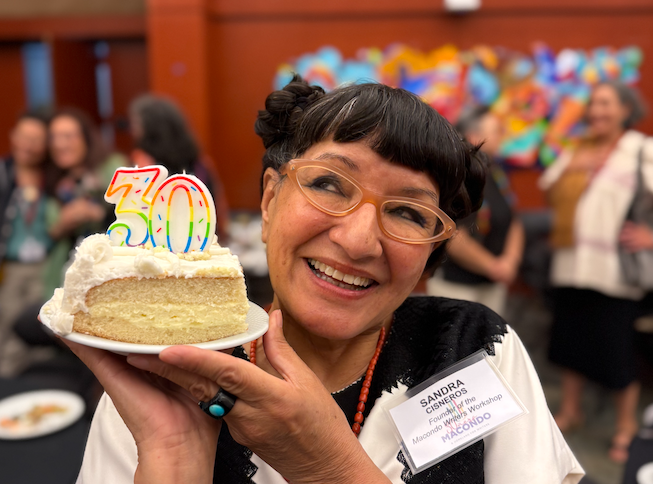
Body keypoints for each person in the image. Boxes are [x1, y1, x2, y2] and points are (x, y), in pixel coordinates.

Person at [67, 77, 583, 483]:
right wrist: (174, 455)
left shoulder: (474, 348)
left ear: (431, 252)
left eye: (408, 213)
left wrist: (331, 469)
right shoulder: (167, 374)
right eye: (330, 184)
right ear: (270, 200)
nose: (358, 242)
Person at [539, 81, 653, 463]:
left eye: (605, 103)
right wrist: (575, 166)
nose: (596, 111)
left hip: (615, 275)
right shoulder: (580, 147)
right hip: (571, 267)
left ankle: (625, 426)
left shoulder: (641, 149)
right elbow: (548, 185)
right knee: (570, 345)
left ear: (626, 109)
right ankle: (572, 411)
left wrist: (650, 237)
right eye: (593, 104)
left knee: (616, 353)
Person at [427, 107, 524, 317]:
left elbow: (514, 221)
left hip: (493, 284)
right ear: (474, 137)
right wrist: (493, 267)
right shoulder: (458, 176)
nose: (502, 136)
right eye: (497, 130)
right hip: (456, 286)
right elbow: (453, 235)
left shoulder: (496, 174)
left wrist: (510, 261)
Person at [43, 108, 127, 298]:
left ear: (86, 138)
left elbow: (131, 211)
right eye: (53, 137)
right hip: (68, 266)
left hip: (113, 262)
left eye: (68, 136)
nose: (59, 144)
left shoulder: (112, 167)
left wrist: (96, 213)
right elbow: (49, 230)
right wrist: (64, 222)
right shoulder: (54, 179)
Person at [128, 94, 230, 243]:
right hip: (203, 239)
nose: (132, 130)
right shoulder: (200, 162)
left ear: (151, 128)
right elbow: (218, 208)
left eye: (136, 124)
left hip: (158, 243)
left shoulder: (143, 163)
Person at [0, 111, 56, 375]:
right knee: (8, 320)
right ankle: (8, 381)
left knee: (42, 323)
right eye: (24, 137)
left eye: (36, 140)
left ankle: (41, 381)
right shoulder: (4, 173)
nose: (29, 145)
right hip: (10, 266)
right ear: (13, 137)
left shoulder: (53, 178)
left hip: (47, 264)